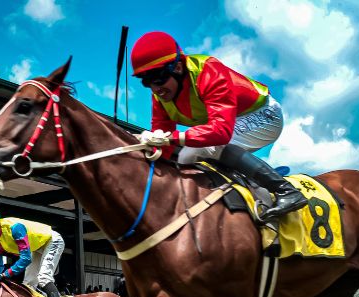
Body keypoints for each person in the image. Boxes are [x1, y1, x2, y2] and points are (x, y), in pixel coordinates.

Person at [130, 31, 307, 222]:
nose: (155, 89)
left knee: (194, 152)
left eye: (157, 78)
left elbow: (220, 132)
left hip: (264, 115)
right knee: (183, 158)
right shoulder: (159, 96)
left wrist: (171, 138)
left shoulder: (208, 71)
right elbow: (162, 145)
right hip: (229, 123)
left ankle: (285, 190)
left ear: (178, 67)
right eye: (146, 82)